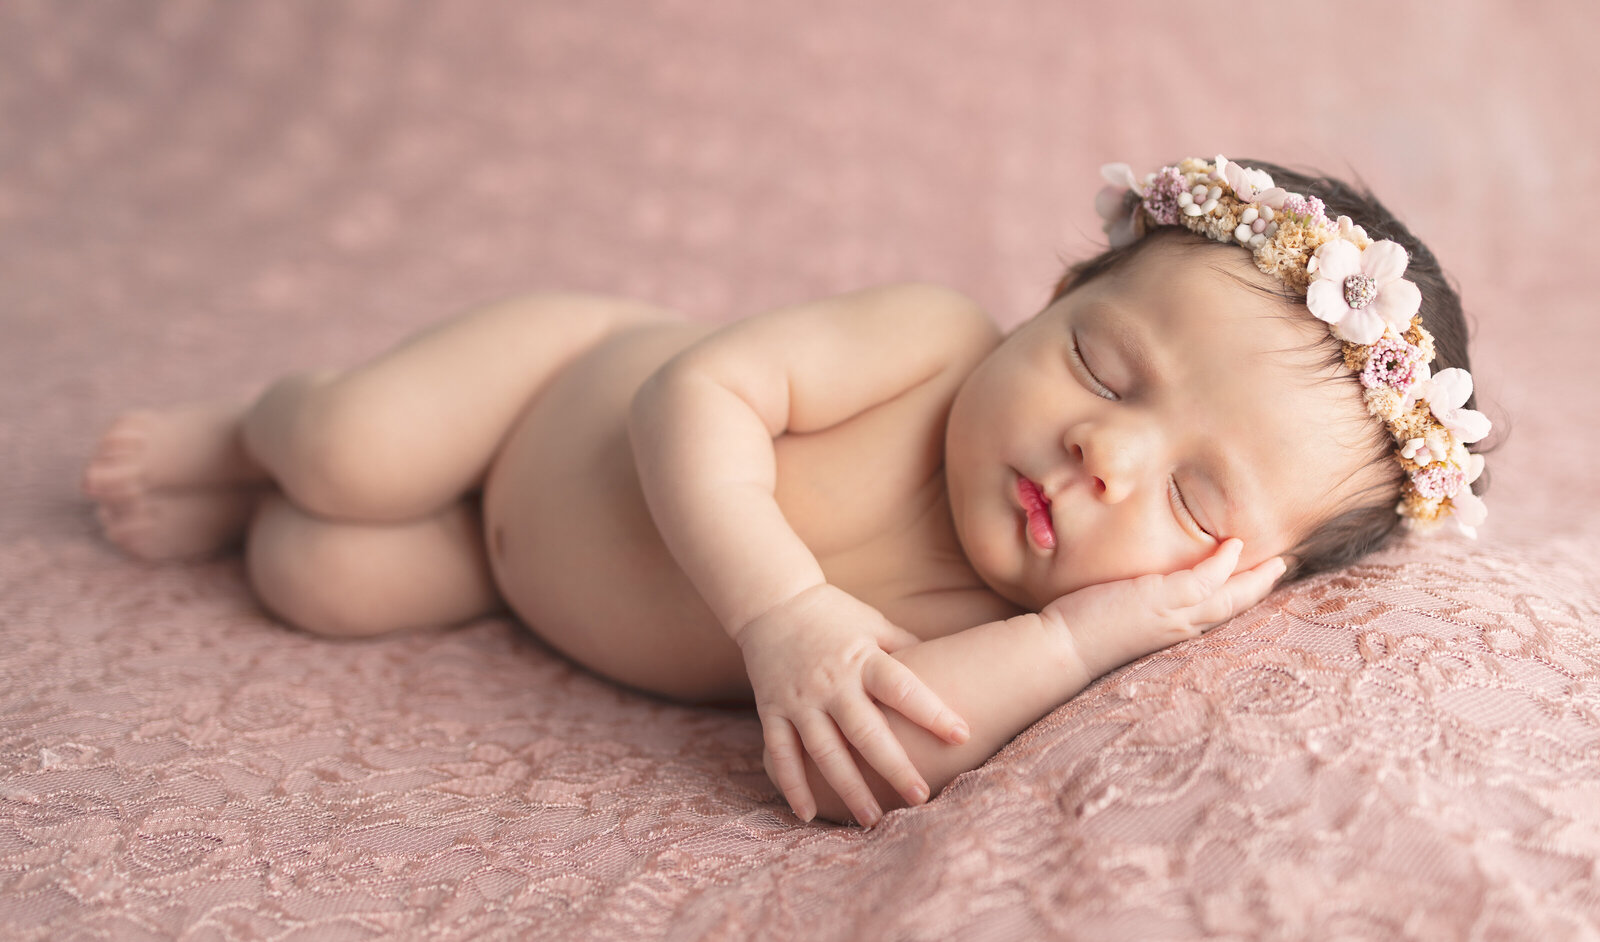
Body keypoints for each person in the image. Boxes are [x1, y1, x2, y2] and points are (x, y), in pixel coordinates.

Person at [81, 156, 1490, 829]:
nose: (1103, 457)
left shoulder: (1002, 628)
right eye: (1106, 371)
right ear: (1047, 299)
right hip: (547, 387)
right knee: (350, 451)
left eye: (1191, 503)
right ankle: (251, 426)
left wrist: (1091, 638)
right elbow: (688, 397)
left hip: (504, 570)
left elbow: (896, 758)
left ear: (1233, 578)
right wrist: (781, 612)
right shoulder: (931, 341)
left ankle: (258, 517)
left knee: (315, 577)